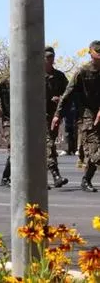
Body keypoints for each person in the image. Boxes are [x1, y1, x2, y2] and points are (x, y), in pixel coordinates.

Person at [52, 40, 100, 193]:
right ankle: (86, 179)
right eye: (96, 53)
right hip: (87, 116)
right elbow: (67, 94)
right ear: (90, 53)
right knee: (94, 150)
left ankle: (86, 178)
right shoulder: (82, 72)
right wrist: (57, 115)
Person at [44, 46, 69, 187]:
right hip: (38, 116)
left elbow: (68, 94)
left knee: (47, 147)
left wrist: (60, 99)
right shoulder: (34, 75)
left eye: (52, 57)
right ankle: (55, 175)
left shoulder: (59, 76)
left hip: (53, 117)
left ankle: (40, 178)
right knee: (49, 145)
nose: (50, 60)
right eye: (47, 57)